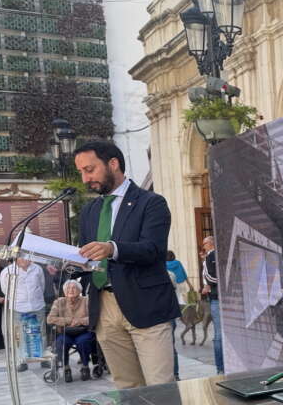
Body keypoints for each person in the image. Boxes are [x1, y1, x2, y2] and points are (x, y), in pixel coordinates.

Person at [75, 139, 180, 389]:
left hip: (146, 305)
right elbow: (86, 254)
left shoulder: (151, 203)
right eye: (81, 172)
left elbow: (153, 249)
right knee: (127, 388)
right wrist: (76, 262)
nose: (84, 179)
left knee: (160, 388)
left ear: (113, 164)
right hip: (105, 307)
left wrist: (113, 248)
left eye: (89, 170)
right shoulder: (90, 211)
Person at [0, 256, 49, 372]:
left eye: (28, 257)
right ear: (16, 258)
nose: (26, 259)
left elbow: (42, 286)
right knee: (19, 335)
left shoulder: (37, 269)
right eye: (23, 257)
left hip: (37, 305)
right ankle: (21, 361)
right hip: (18, 307)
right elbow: (4, 289)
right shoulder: (7, 271)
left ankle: (44, 358)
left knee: (41, 333)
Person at [46, 279, 95, 382]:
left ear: (79, 290)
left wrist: (79, 321)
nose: (71, 290)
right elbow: (50, 319)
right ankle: (66, 368)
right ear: (64, 291)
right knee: (61, 342)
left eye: (74, 288)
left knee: (83, 342)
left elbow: (93, 317)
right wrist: (69, 320)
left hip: (83, 331)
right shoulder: (59, 302)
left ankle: (85, 366)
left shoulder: (86, 300)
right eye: (68, 288)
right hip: (65, 332)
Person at [200, 236, 224, 374]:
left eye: (205, 244)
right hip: (223, 297)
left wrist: (209, 285)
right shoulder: (212, 256)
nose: (204, 247)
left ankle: (220, 368)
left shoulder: (211, 256)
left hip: (217, 298)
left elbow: (209, 277)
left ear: (211, 243)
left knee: (218, 335)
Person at [166, 250, 191, 381]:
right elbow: (184, 275)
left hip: (164, 313)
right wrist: (190, 285)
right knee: (171, 345)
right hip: (176, 300)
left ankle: (173, 373)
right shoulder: (175, 267)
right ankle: (175, 374)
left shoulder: (166, 271)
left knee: (169, 345)